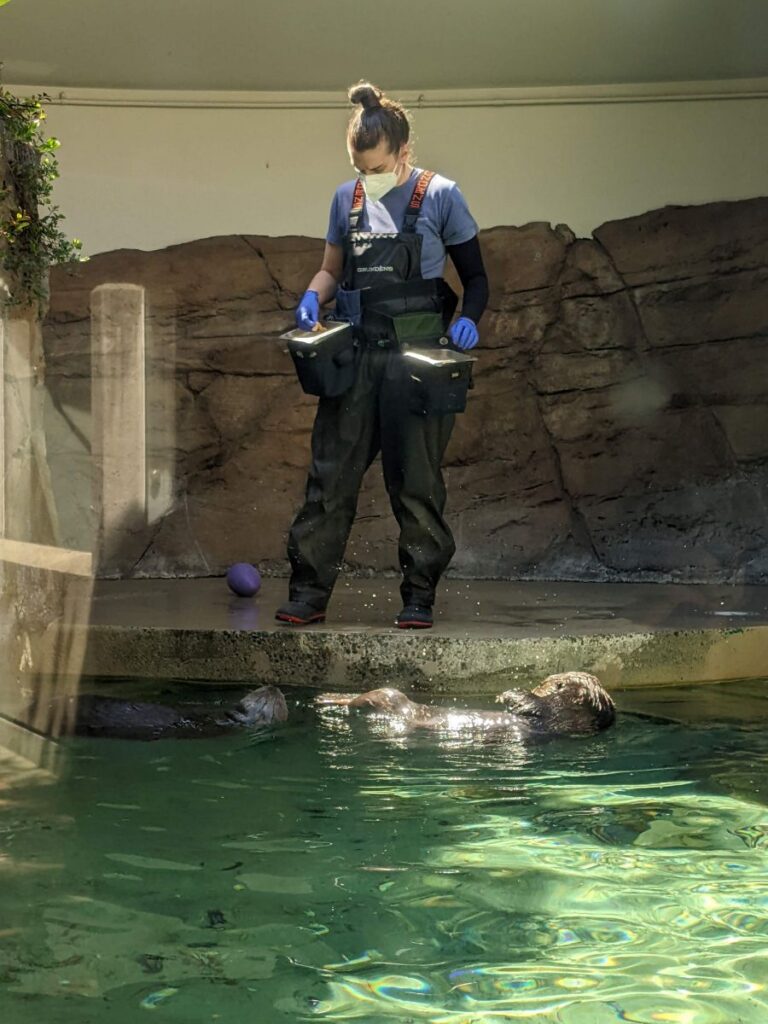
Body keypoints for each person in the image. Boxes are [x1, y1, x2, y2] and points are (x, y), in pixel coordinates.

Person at [276, 81, 489, 630]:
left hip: (417, 362)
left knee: (416, 483)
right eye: (357, 167)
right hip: (356, 358)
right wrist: (311, 296)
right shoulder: (344, 200)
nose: (365, 178)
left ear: (402, 153)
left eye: (375, 167)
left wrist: (468, 319)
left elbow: (477, 280)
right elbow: (330, 267)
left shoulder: (441, 196)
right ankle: (308, 593)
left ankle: (418, 596)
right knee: (330, 480)